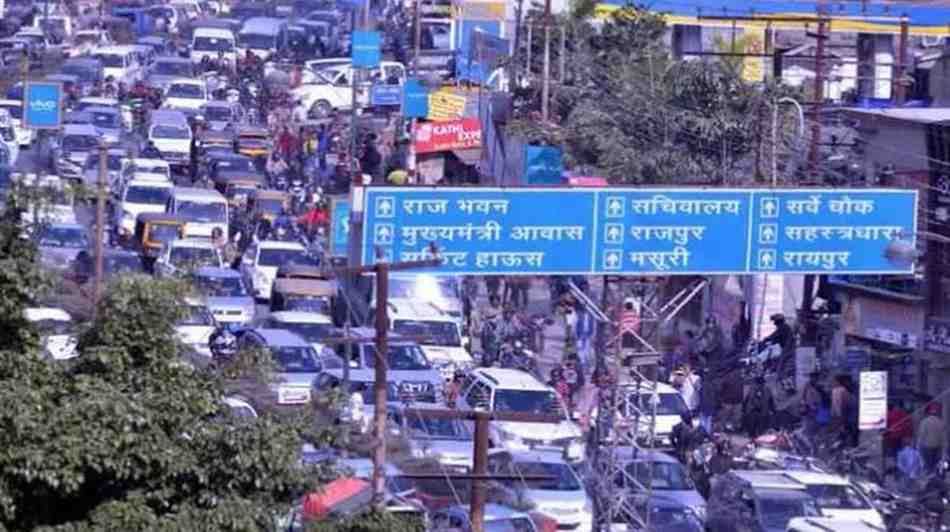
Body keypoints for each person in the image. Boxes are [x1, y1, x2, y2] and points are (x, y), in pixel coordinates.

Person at [761, 313, 796, 377]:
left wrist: (765, 340)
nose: (774, 324)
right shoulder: (784, 327)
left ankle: (779, 378)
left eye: (775, 322)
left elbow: (773, 336)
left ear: (778, 322)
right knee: (778, 361)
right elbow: (775, 338)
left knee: (781, 365)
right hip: (788, 349)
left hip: (788, 349)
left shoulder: (783, 327)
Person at [917, 403, 946, 474]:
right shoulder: (940, 422)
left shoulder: (924, 422)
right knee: (936, 463)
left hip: (927, 446)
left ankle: (930, 475)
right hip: (938, 446)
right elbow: (943, 436)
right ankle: (935, 475)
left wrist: (919, 445)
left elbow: (922, 434)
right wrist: (943, 447)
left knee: (928, 464)